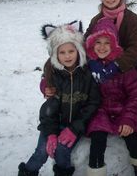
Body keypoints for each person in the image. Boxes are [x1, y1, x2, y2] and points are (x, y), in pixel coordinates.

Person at [18, 21, 101, 176]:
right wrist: (50, 133)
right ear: (55, 55)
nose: (67, 56)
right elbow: (48, 110)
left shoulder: (87, 74)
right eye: (62, 52)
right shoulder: (54, 76)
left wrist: (75, 128)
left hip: (74, 125)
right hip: (53, 124)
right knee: (42, 151)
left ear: (79, 51)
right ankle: (28, 172)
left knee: (62, 152)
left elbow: (93, 103)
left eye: (71, 51)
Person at [43, 0, 137, 98]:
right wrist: (92, 62)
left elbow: (135, 47)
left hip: (125, 71)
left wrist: (117, 64)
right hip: (98, 72)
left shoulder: (131, 19)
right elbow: (82, 45)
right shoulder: (97, 20)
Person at [84, 17, 137, 176]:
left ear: (114, 44)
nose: (102, 47)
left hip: (123, 110)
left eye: (107, 43)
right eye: (98, 42)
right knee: (97, 143)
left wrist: (128, 119)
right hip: (100, 113)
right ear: (92, 43)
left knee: (135, 143)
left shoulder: (123, 67)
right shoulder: (89, 67)